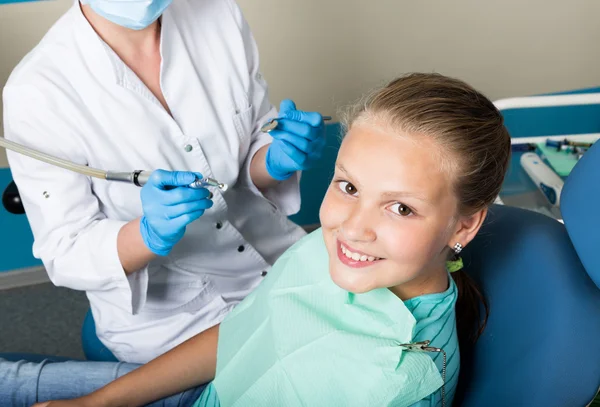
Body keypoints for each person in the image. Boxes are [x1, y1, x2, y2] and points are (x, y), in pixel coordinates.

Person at [1, 73, 511, 406]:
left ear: (465, 225)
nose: (353, 226)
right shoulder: (328, 251)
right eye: (349, 186)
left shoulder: (392, 385)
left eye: (400, 207)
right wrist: (101, 403)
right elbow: (243, 335)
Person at [2, 0, 327, 364]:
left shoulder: (219, 13)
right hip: (175, 320)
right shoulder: (38, 91)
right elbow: (66, 252)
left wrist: (276, 159)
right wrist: (147, 235)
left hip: (277, 257)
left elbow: (252, 136)